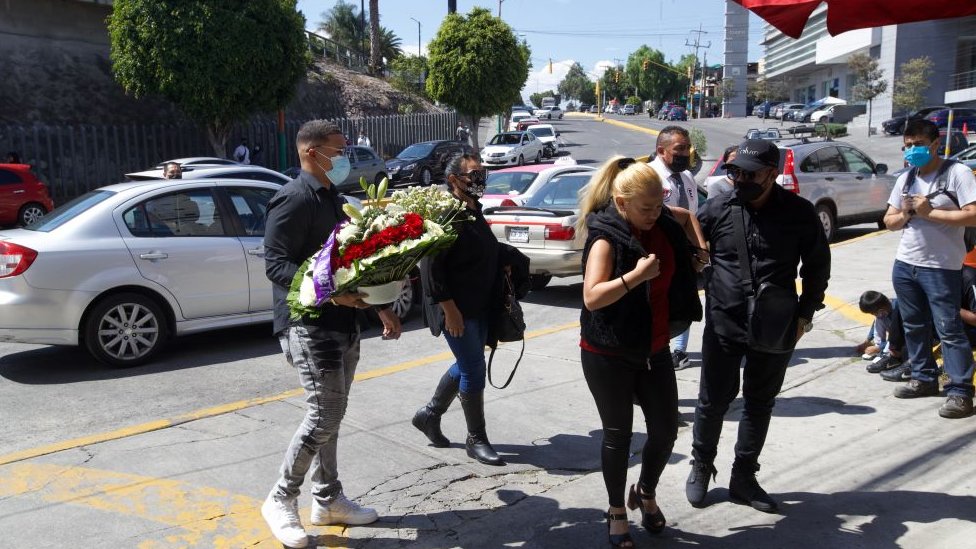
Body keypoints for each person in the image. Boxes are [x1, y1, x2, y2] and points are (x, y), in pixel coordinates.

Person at [261, 120, 402, 548]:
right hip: (309, 325)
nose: (344, 159)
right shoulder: (293, 198)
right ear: (311, 152)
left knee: (332, 417)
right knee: (322, 415)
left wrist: (380, 306)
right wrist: (330, 294)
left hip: (344, 324)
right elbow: (275, 263)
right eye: (338, 152)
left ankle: (327, 498)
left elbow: (352, 262)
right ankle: (281, 498)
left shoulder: (335, 200)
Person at [686, 139, 830, 513]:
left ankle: (744, 476)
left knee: (759, 402)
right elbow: (690, 251)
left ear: (772, 173)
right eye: (735, 172)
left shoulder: (798, 213)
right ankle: (701, 464)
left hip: (775, 322)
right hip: (724, 320)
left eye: (750, 174)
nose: (740, 179)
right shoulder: (717, 208)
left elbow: (817, 267)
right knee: (712, 400)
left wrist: (805, 315)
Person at [576, 156, 703, 547]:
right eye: (645, 208)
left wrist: (699, 251)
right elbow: (592, 297)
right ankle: (616, 510)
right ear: (621, 202)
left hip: (655, 346)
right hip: (607, 351)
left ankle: (645, 492)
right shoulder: (605, 236)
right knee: (618, 435)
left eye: (657, 205)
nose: (654, 214)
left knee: (665, 430)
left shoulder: (663, 219)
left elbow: (684, 217)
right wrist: (635, 276)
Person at [413, 152, 507, 467]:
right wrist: (449, 310)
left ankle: (429, 415)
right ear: (454, 180)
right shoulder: (447, 214)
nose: (481, 180)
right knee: (472, 368)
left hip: (479, 305)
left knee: (470, 363)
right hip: (456, 308)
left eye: (483, 174)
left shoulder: (473, 210)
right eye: (475, 175)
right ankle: (476, 439)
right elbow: (430, 268)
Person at [882, 118, 976, 419]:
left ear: (935, 144)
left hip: (941, 267)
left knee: (949, 328)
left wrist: (930, 212)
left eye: (919, 145)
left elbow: (973, 216)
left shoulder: (957, 173)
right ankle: (923, 377)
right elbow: (889, 221)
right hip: (906, 264)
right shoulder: (906, 178)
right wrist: (909, 212)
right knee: (913, 325)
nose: (912, 150)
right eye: (908, 146)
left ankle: (960, 391)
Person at [649, 126, 699, 371]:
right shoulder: (648, 177)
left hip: (682, 259)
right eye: (679, 149)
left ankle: (678, 352)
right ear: (661, 150)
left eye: (687, 148)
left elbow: (692, 216)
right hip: (656, 261)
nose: (685, 153)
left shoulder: (688, 177)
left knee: (681, 306)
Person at [855, 291, 905, 374]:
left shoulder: (899, 311)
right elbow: (875, 324)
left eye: (873, 313)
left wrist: (880, 348)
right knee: (878, 319)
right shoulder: (885, 309)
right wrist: (867, 341)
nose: (873, 315)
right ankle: (880, 347)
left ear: (881, 309)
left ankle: (888, 355)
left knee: (883, 320)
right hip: (895, 336)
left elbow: (898, 336)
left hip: (903, 338)